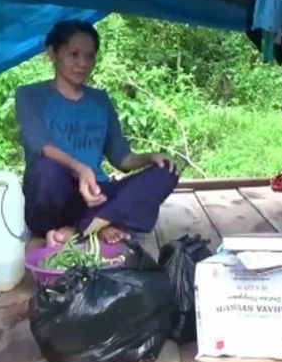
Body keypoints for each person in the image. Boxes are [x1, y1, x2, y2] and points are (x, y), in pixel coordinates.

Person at [15, 20, 179, 247]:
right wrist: (81, 169)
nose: (82, 63)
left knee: (166, 172)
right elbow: (39, 143)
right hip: (53, 199)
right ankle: (101, 224)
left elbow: (121, 157)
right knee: (46, 168)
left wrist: (149, 157)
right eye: (74, 54)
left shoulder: (100, 100)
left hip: (96, 197)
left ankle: (82, 228)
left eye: (90, 56)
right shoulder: (30, 96)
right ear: (53, 53)